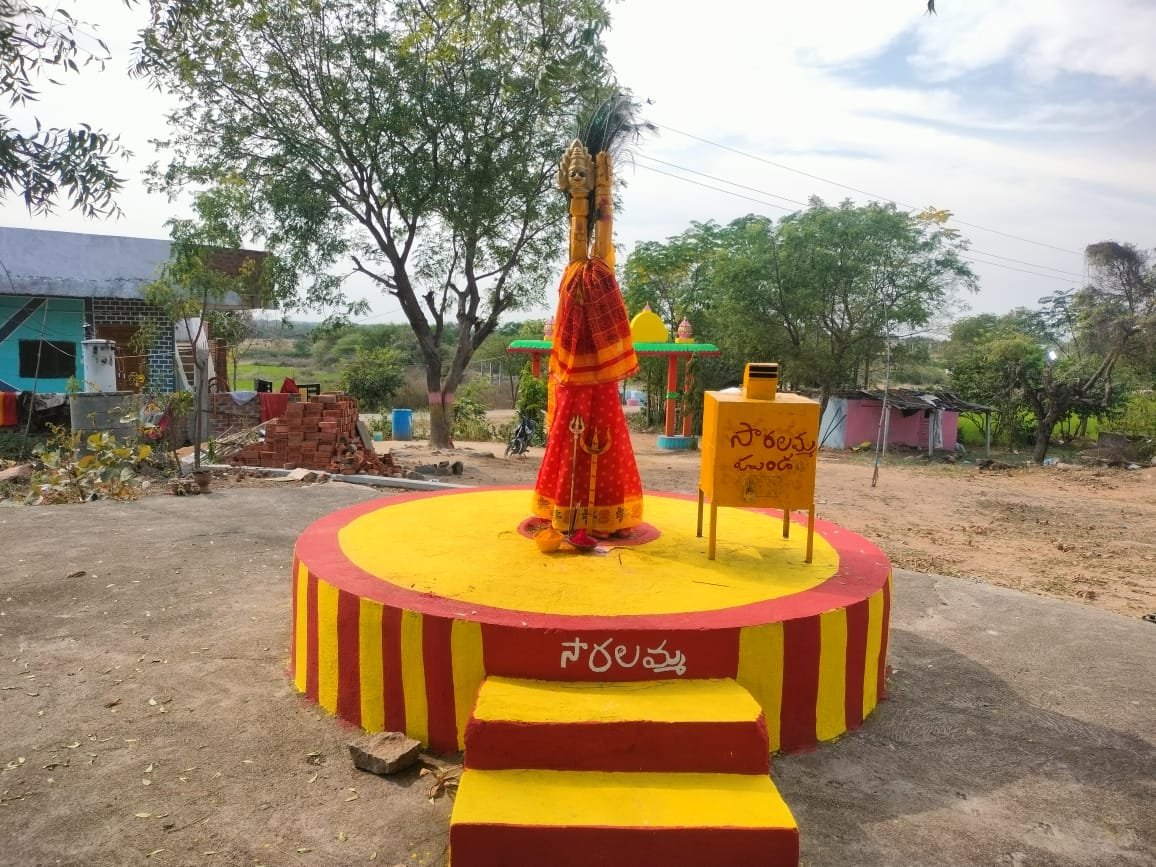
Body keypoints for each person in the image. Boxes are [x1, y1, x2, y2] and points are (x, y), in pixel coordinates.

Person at [530, 139, 644, 543]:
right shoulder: (575, 271)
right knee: (570, 440)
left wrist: (603, 196)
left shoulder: (596, 272)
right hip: (575, 377)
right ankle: (568, 512)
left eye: (585, 176)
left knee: (600, 440)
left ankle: (602, 516)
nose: (579, 179)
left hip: (595, 380)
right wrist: (582, 200)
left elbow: (600, 242)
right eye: (573, 175)